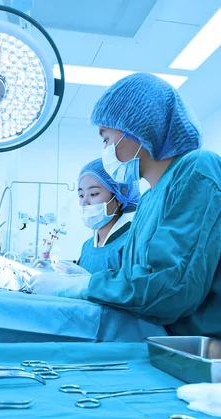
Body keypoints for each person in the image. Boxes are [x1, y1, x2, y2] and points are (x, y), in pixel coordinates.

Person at [31, 73, 221, 338]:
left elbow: (171, 288)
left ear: (140, 129)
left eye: (107, 139)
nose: (106, 149)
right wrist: (84, 279)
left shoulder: (197, 170)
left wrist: (87, 286)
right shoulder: (148, 200)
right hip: (160, 341)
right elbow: (136, 277)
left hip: (203, 349)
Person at [44, 158, 140, 275]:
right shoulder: (87, 246)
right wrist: (54, 270)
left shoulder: (133, 242)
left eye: (93, 194)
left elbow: (131, 290)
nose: (84, 202)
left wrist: (87, 280)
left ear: (119, 196)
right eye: (81, 195)